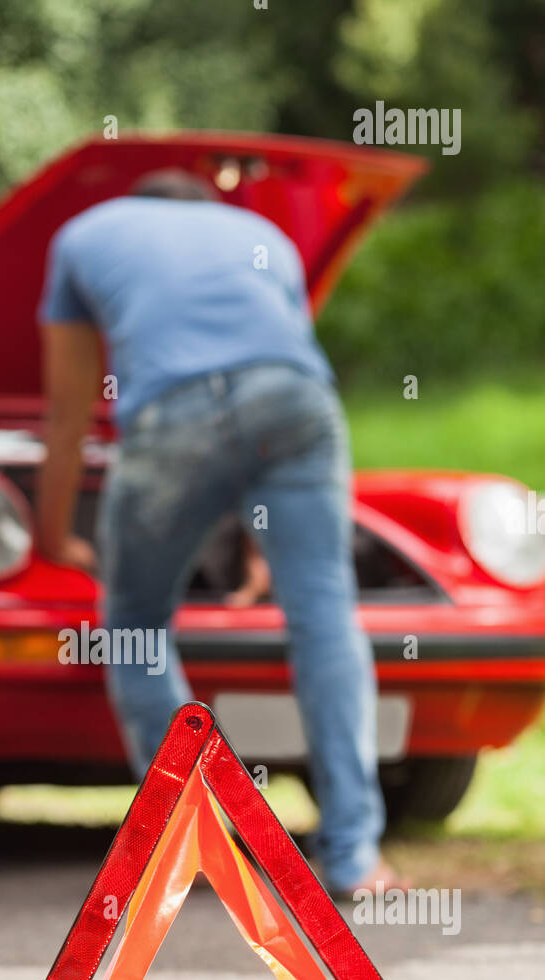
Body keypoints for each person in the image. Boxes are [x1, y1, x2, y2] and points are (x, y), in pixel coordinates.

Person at [35, 168, 403, 898]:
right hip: (296, 402)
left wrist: (52, 531)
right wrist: (263, 543)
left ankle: (192, 838)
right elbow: (260, 384)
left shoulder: (85, 234)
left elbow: (69, 406)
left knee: (135, 622)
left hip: (172, 414)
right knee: (325, 614)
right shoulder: (265, 236)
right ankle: (358, 856)